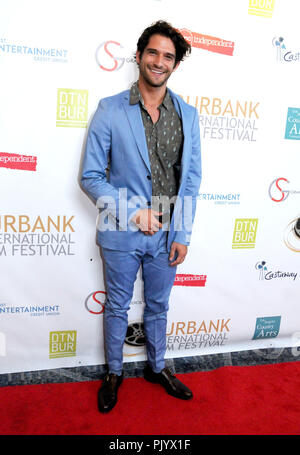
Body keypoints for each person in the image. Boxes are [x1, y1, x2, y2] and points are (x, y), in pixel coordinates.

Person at [81, 20, 201, 413]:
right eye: (153, 52)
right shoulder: (110, 109)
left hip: (168, 235)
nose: (159, 61)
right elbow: (90, 176)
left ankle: (157, 367)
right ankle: (114, 373)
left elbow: (191, 179)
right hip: (120, 232)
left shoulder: (188, 115)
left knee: (159, 306)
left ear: (175, 65)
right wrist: (134, 213)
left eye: (168, 56)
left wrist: (181, 231)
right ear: (139, 56)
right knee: (116, 306)